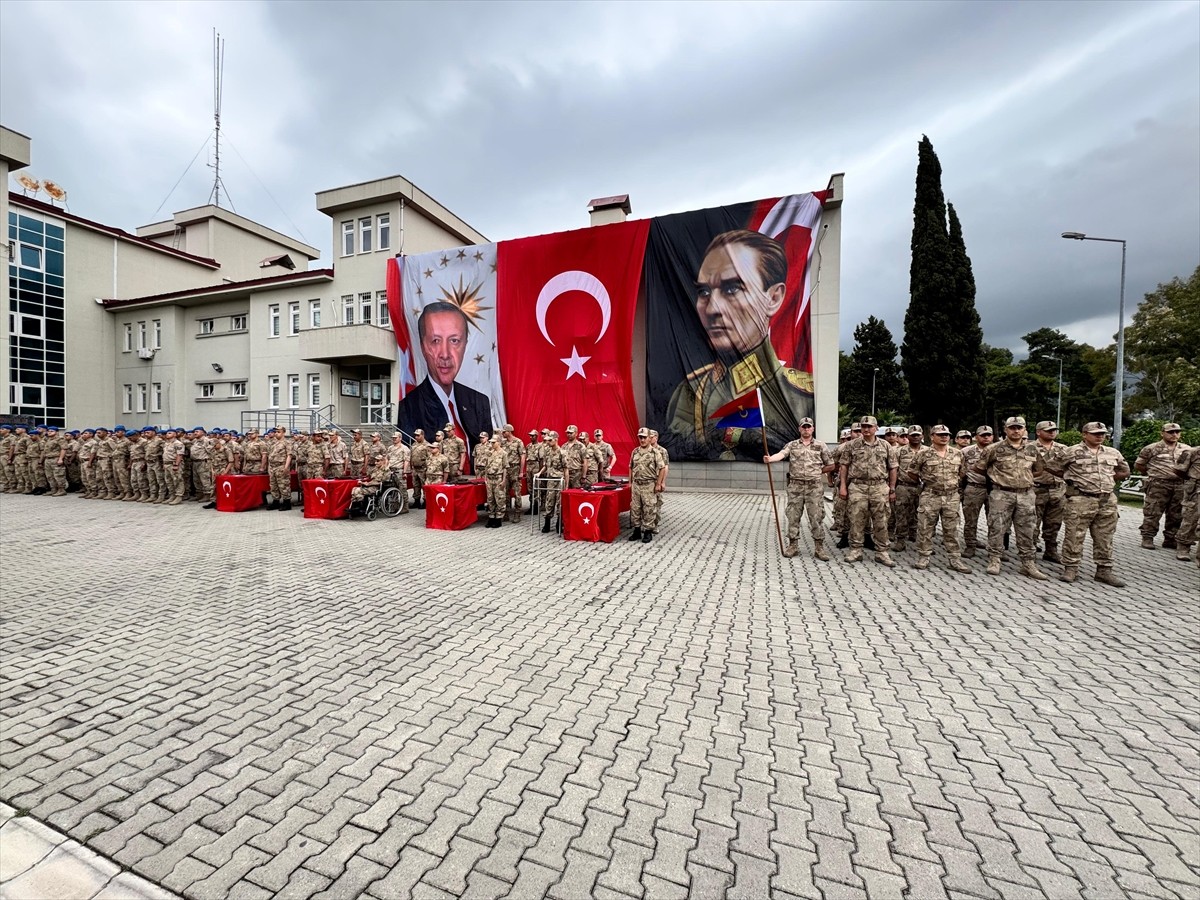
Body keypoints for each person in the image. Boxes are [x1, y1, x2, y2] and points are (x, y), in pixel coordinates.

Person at [665, 230, 814, 460]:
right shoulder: (688, 392)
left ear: (773, 298)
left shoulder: (799, 395)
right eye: (704, 291)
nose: (712, 309)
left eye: (732, 288)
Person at [395, 301, 494, 462]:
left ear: (465, 345)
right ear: (422, 346)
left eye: (454, 341)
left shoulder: (479, 401)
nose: (445, 354)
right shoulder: (409, 407)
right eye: (435, 341)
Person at [1044, 423, 1130, 585]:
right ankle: (1071, 568)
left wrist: (1107, 480)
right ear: (1084, 434)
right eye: (1095, 433)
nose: (1100, 436)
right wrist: (1072, 478)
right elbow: (1051, 467)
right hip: (1080, 499)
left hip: (1106, 500)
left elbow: (1124, 471)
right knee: (1074, 535)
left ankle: (1104, 570)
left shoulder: (1113, 453)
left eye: (1102, 433)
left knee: (1105, 536)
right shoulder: (1071, 452)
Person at [973, 416, 1048, 580]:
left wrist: (1022, 479)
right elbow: (979, 468)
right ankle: (994, 559)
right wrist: (998, 478)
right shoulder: (993, 449)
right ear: (1005, 430)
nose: (1016, 430)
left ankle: (1028, 563)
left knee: (1027, 529)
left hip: (1026, 494)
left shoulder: (1032, 450)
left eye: (1019, 427)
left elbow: (1039, 470)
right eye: (1012, 428)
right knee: (997, 527)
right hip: (1001, 493)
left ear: (1024, 430)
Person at [763, 416, 834, 559]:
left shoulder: (821, 445)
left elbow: (831, 464)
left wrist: (816, 471)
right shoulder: (793, 445)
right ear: (799, 429)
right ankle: (793, 545)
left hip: (814, 487)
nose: (806, 429)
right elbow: (782, 454)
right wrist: (770, 459)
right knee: (793, 516)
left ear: (813, 429)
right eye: (804, 427)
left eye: (809, 427)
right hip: (796, 486)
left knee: (816, 517)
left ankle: (819, 548)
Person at [906, 425, 971, 573]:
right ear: (931, 436)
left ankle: (954, 559)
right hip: (930, 495)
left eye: (947, 434)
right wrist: (928, 482)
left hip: (951, 496)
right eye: (940, 434)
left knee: (952, 529)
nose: (944, 437)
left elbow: (962, 473)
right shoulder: (924, 454)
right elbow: (912, 472)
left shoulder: (957, 454)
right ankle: (923, 557)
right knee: (925, 527)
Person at [839, 415, 898, 567]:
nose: (866, 429)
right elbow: (844, 466)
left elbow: (893, 468)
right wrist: (843, 486)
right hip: (858, 487)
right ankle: (856, 550)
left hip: (879, 487)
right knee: (856, 519)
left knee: (881, 520)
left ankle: (882, 552)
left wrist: (892, 489)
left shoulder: (885, 445)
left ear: (876, 428)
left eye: (869, 426)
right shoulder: (851, 445)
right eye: (863, 426)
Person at [1135, 423, 1190, 550]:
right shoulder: (1152, 448)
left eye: (1177, 432)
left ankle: (1170, 539)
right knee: (1153, 511)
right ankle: (1147, 537)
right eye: (1170, 432)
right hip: (1158, 484)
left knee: (1176, 513)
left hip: (1180, 485)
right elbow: (1139, 465)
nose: (1174, 434)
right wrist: (1154, 473)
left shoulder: (1186, 449)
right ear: (1162, 433)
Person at [1032, 421, 1067, 563]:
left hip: (1057, 490)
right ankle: (1030, 550)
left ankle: (1051, 550)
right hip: (1036, 489)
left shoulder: (1063, 449)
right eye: (1048, 430)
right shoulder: (1029, 448)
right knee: (1032, 522)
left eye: (1054, 430)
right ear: (1038, 432)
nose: (1052, 432)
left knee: (1054, 523)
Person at [960, 426, 994, 557]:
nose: (986, 437)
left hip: (994, 489)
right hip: (974, 487)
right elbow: (960, 471)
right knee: (970, 520)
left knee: (995, 521)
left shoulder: (998, 450)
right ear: (976, 437)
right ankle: (970, 546)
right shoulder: (966, 451)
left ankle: (995, 548)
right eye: (983, 435)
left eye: (989, 435)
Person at [628, 428, 663, 543]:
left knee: (649, 508)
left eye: (644, 437)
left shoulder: (655, 452)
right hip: (637, 484)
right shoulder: (635, 451)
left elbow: (662, 468)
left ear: (649, 438)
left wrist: (659, 483)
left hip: (649, 485)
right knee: (635, 508)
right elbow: (631, 467)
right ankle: (637, 531)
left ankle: (648, 532)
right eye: (640, 437)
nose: (642, 439)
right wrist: (630, 482)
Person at [892, 426, 924, 552]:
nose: (915, 437)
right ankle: (900, 540)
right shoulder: (899, 451)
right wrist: (892, 488)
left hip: (923, 488)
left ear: (922, 436)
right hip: (904, 486)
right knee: (901, 514)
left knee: (923, 515)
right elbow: (893, 469)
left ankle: (920, 540)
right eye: (913, 435)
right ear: (908, 436)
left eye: (918, 435)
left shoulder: (928, 451)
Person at [1172, 447, 1199, 566]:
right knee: (1191, 517)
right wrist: (1191, 481)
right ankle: (1183, 546)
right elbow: (1178, 470)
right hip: (1196, 489)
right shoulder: (1192, 452)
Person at [539, 431, 565, 534]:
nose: (548, 442)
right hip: (550, 480)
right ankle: (547, 524)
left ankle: (559, 524)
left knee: (559, 502)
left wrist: (566, 484)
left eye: (550, 440)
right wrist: (539, 473)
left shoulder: (562, 452)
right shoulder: (547, 451)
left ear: (556, 440)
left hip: (559, 480)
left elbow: (566, 469)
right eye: (547, 440)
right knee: (549, 501)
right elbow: (546, 466)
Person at [266, 426, 293, 510]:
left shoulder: (287, 442)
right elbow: (269, 456)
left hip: (281, 465)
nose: (277, 433)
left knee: (283, 484)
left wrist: (286, 467)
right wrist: (269, 467)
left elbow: (289, 455)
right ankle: (276, 501)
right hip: (272, 466)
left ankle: (287, 502)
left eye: (279, 432)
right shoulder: (273, 443)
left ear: (283, 432)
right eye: (276, 432)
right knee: (273, 485)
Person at [387, 433, 411, 514]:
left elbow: (406, 460)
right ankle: (395, 507)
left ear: (400, 438)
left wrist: (404, 472)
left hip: (399, 470)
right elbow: (387, 458)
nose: (394, 439)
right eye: (393, 438)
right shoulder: (390, 448)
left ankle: (405, 507)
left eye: (396, 438)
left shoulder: (405, 448)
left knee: (402, 489)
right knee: (392, 490)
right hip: (391, 470)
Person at [409, 429, 430, 508]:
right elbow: (411, 456)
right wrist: (411, 467)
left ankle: (425, 501)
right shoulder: (414, 444)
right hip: (415, 469)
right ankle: (416, 501)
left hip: (423, 469)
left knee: (424, 485)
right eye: (415, 435)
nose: (416, 437)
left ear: (423, 435)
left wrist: (428, 469)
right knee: (415, 485)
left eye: (418, 435)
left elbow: (429, 458)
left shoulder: (427, 445)